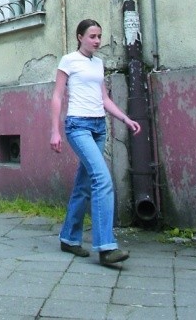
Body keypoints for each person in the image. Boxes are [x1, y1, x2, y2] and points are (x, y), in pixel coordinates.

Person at [50, 19, 141, 266]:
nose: (97, 40)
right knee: (102, 179)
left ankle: (69, 238)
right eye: (92, 36)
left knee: (84, 184)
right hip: (77, 126)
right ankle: (106, 247)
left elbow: (104, 99)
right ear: (80, 37)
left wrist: (125, 118)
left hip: (99, 127)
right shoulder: (68, 60)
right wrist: (55, 131)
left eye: (99, 36)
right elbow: (58, 96)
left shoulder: (98, 63)